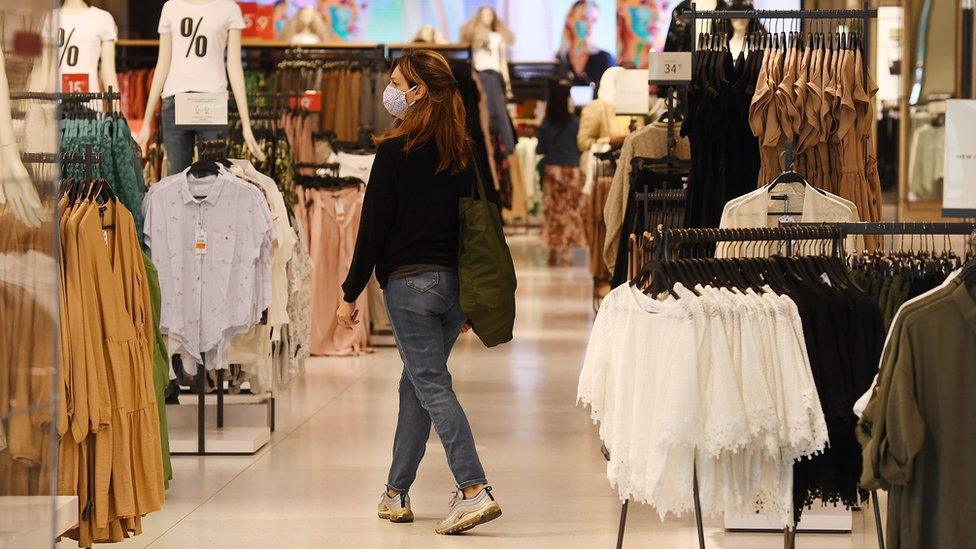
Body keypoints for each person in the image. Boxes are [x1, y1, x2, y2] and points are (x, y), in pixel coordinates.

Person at [336, 49, 502, 535]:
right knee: (416, 384)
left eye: (396, 82)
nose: (389, 89)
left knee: (430, 385)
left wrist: (350, 294)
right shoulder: (463, 152)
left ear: (418, 91)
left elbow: (373, 228)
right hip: (453, 290)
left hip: (410, 287)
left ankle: (473, 488)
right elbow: (483, 224)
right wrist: (471, 295)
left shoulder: (393, 153)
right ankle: (395, 492)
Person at [537, 81, 586, 266]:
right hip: (571, 172)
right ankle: (565, 254)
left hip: (552, 172)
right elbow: (581, 147)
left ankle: (552, 252)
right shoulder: (575, 123)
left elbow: (540, 149)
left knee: (552, 212)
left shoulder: (545, 122)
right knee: (570, 212)